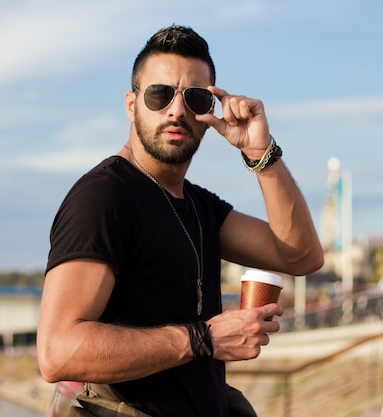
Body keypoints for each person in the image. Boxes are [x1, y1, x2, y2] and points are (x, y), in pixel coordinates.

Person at [37, 24, 324, 417]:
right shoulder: (103, 198)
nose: (176, 110)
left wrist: (261, 153)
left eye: (195, 97)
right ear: (131, 104)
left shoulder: (198, 206)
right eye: (159, 94)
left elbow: (301, 256)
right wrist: (203, 339)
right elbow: (57, 351)